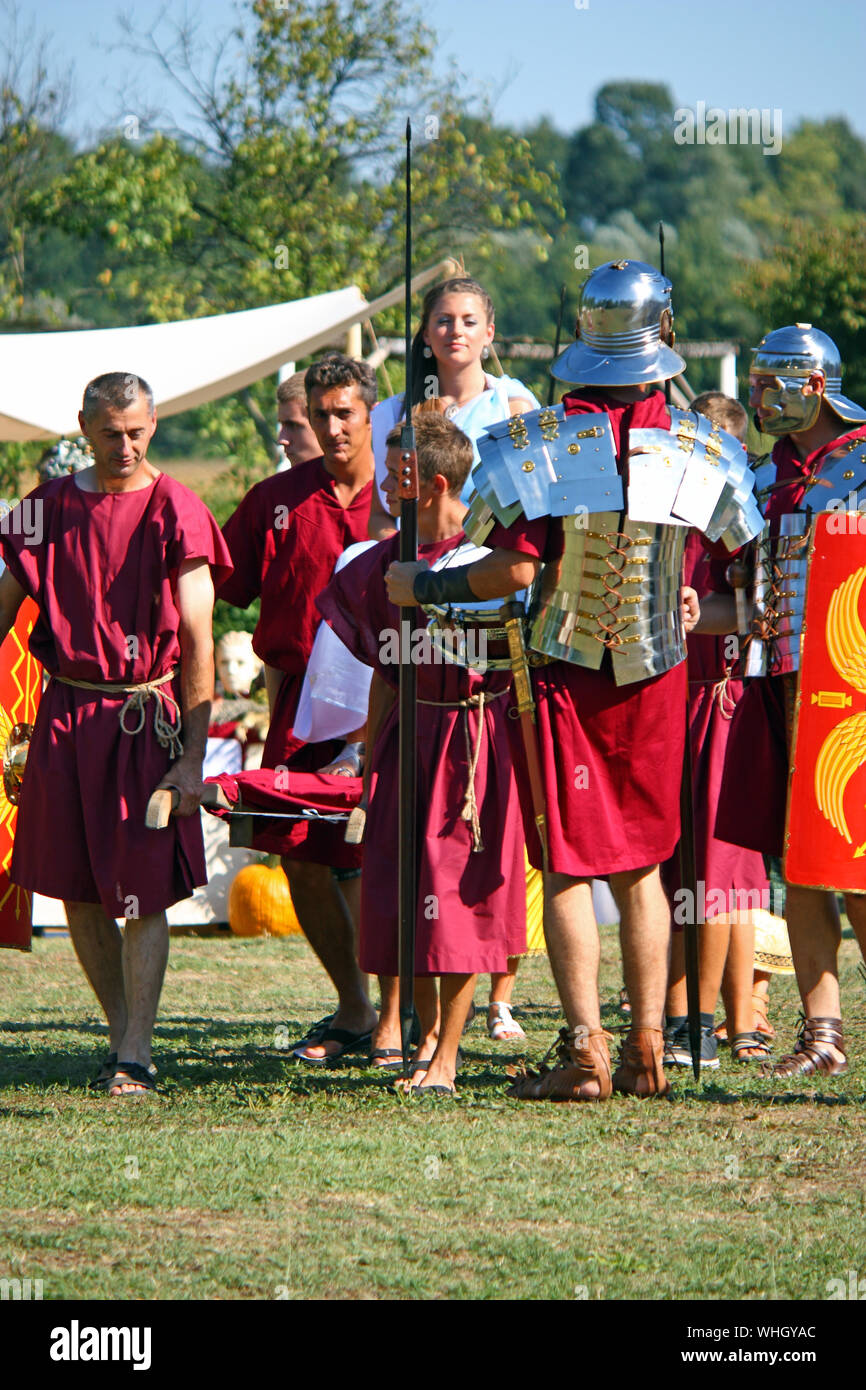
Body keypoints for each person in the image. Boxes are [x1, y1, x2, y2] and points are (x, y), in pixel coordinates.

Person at [387, 259, 762, 1100]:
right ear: (663, 337)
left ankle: (587, 1052)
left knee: (564, 866)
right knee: (642, 871)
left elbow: (512, 572)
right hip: (661, 676)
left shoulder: (549, 438)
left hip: (563, 676)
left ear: (586, 342)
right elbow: (756, 581)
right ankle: (647, 1050)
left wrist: (428, 586)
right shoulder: (708, 444)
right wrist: (702, 610)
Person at [0, 372, 231, 1096]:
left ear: (154, 424)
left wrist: (192, 757)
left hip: (142, 719)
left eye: (136, 431)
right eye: (109, 433)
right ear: (84, 426)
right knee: (76, 888)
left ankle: (138, 1050)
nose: (124, 445)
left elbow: (198, 640)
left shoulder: (179, 511)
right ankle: (120, 1034)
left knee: (142, 891)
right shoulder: (47, 510)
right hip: (68, 715)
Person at [318, 412, 526, 1094]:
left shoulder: (487, 566)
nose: (381, 485)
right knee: (406, 892)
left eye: (396, 477)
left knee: (456, 896)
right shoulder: (383, 565)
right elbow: (387, 669)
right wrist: (370, 761)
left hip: (470, 743)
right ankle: (419, 1030)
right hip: (407, 738)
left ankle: (446, 1056)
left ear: (433, 485)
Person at [369, 275, 539, 1042]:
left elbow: (531, 517)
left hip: (483, 583)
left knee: (476, 851)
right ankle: (396, 1016)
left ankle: (491, 998)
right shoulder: (397, 410)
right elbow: (386, 505)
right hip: (414, 589)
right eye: (443, 319)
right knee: (410, 852)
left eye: (470, 318)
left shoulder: (513, 405)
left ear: (491, 328)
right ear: (426, 331)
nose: (456, 331)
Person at [699, 324, 866, 1078]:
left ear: (817, 386)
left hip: (853, 694)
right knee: (800, 865)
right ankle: (822, 1035)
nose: (759, 398)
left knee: (856, 862)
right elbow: (750, 603)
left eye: (774, 385)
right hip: (777, 682)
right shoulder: (759, 480)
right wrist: (687, 613)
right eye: (755, 384)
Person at [218, 353, 379, 1062]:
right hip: (296, 709)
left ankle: (404, 1021)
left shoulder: (405, 497)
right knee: (301, 859)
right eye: (321, 415)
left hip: (389, 707)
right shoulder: (274, 499)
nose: (332, 427)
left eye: (345, 413)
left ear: (371, 414)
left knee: (387, 858)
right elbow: (216, 578)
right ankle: (354, 1009)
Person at [661, 391, 773, 1068]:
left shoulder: (740, 529)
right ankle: (682, 1015)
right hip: (667, 704)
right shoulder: (666, 521)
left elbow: (761, 611)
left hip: (724, 706)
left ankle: (718, 1018)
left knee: (724, 876)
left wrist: (701, 613)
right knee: (681, 873)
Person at [276, 371, 321, 470]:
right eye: (283, 425)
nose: (282, 440)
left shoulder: (360, 484)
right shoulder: (273, 485)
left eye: (293, 425)